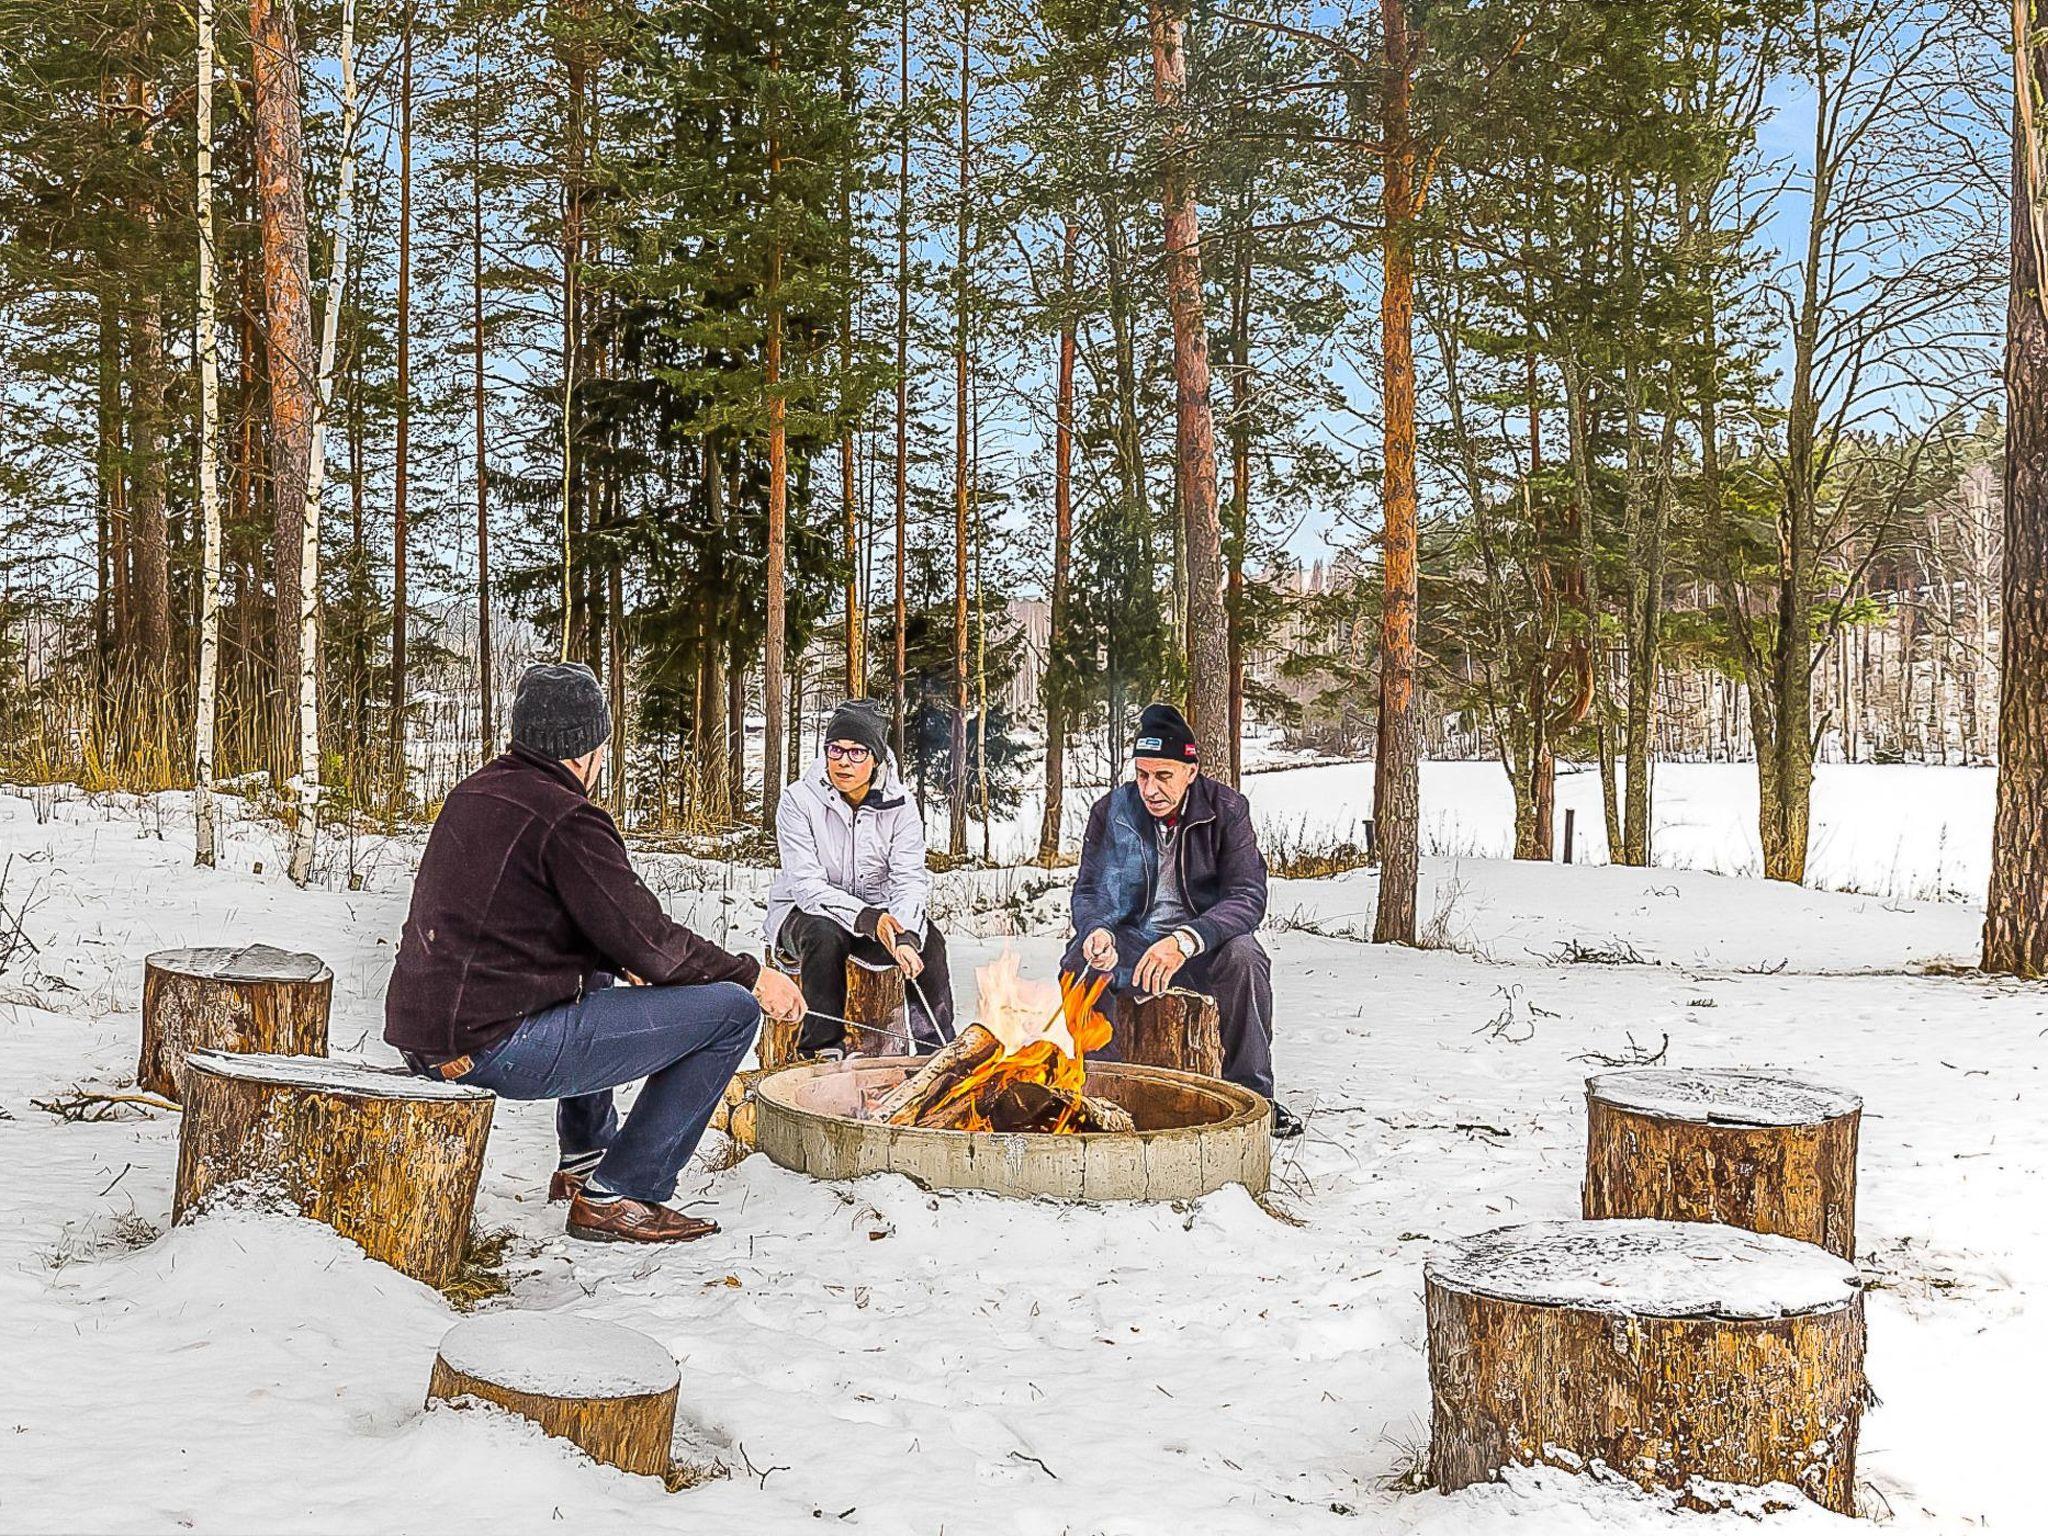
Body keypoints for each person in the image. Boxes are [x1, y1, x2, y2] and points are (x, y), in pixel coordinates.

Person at [384, 662, 806, 1244]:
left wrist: (616, 957)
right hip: (490, 1047)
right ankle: (625, 1192)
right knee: (732, 1011)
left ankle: (586, 1157)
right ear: (586, 749)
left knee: (600, 978)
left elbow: (526, 921)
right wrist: (754, 977)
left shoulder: (477, 792)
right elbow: (652, 941)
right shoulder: (566, 816)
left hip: (430, 1034)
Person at [1065, 701, 1302, 1139]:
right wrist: (1097, 930)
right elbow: (1090, 890)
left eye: (1163, 776)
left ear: (1190, 770)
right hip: (1133, 941)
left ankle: (1254, 1099)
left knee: (1246, 957)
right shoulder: (1110, 811)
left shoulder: (1227, 810)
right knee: (1080, 966)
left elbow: (1247, 896)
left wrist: (1186, 939)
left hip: (1201, 944)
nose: (1150, 789)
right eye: (1142, 775)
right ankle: (1104, 1093)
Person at [765, 699, 956, 1055]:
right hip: (804, 915)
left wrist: (905, 933)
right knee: (825, 933)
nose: (842, 762)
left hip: (880, 914)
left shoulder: (900, 806)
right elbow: (807, 887)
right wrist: (869, 919)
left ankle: (937, 1050)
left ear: (876, 759)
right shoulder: (798, 800)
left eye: (856, 752)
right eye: (835, 750)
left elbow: (909, 879)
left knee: (929, 944)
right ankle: (821, 1049)